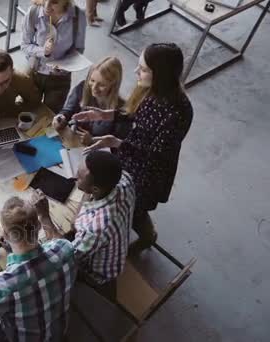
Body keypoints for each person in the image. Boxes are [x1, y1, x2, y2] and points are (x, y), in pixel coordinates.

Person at [73, 43, 193, 253]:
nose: (136, 71)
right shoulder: (149, 89)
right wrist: (101, 114)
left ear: (161, 74)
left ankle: (148, 236)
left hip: (147, 172)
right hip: (130, 155)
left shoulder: (176, 112)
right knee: (122, 198)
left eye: (144, 69)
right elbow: (131, 114)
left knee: (135, 208)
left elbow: (155, 157)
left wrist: (116, 142)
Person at [0, 194, 76, 341]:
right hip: (58, 331)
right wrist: (0, 243)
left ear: (5, 233)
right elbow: (31, 254)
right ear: (38, 226)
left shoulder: (2, 286)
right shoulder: (65, 248)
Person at [72, 151, 135, 299]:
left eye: (79, 177)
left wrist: (45, 217)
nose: (75, 177)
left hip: (101, 272)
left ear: (95, 189)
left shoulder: (94, 229)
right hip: (117, 246)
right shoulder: (125, 180)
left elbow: (66, 257)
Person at [21, 0, 86, 113]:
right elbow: (24, 45)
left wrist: (66, 64)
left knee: (50, 114)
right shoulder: (34, 12)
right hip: (35, 71)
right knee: (26, 110)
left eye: (54, 2)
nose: (47, 6)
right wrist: (43, 51)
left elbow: (79, 49)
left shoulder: (78, 16)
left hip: (60, 77)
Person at [53, 56, 130, 145]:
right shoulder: (82, 88)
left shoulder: (122, 112)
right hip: (72, 141)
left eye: (102, 85)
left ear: (113, 85)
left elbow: (119, 146)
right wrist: (62, 117)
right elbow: (69, 110)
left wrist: (92, 141)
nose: (94, 88)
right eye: (92, 80)